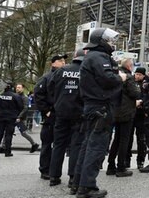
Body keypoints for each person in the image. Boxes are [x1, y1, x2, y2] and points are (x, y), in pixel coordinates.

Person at [72, 27, 125, 198]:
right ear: (101, 41)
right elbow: (107, 79)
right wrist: (121, 78)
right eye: (110, 41)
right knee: (96, 148)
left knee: (88, 145)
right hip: (101, 107)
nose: (112, 44)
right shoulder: (99, 57)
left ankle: (78, 183)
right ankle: (87, 187)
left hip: (93, 106)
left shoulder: (91, 56)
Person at [48, 49, 85, 187]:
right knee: (76, 145)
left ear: (74, 57)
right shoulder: (86, 71)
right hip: (79, 113)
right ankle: (73, 177)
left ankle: (54, 176)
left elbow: (50, 88)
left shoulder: (60, 71)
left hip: (61, 112)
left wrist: (57, 102)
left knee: (58, 144)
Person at [34, 53, 67, 180]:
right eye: (60, 61)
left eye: (64, 61)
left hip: (59, 114)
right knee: (47, 144)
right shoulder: (47, 77)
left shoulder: (63, 75)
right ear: (53, 63)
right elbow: (38, 94)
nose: (63, 62)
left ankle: (53, 170)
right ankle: (45, 169)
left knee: (58, 144)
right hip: (51, 115)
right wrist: (46, 111)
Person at [106, 58, 141, 177]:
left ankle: (111, 165)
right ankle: (121, 166)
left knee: (116, 139)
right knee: (124, 140)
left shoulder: (115, 75)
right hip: (126, 112)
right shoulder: (129, 77)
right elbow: (135, 93)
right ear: (130, 66)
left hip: (115, 110)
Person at [0, 82, 23, 157]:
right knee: (9, 135)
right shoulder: (15, 96)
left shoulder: (0, 96)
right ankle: (7, 152)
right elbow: (20, 107)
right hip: (11, 118)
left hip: (0, 117)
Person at [127, 67, 147, 169]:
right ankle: (127, 160)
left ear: (143, 75)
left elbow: (147, 97)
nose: (137, 76)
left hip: (141, 114)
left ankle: (141, 160)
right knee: (128, 138)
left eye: (140, 74)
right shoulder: (130, 81)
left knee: (141, 139)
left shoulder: (146, 84)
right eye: (136, 74)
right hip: (131, 113)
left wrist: (141, 102)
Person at [14, 83, 39, 153]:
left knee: (23, 133)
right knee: (8, 130)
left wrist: (19, 117)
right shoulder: (15, 96)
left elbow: (25, 108)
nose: (17, 88)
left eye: (19, 87)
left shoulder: (25, 97)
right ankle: (3, 146)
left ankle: (34, 144)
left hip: (20, 118)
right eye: (17, 87)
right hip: (14, 116)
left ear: (23, 88)